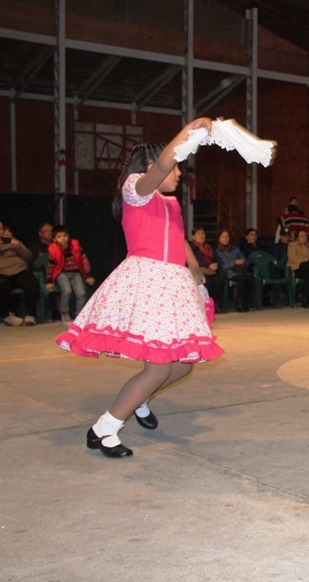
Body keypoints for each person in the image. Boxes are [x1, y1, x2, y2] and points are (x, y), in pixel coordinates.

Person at [56, 119, 224, 458]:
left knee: (182, 363)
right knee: (159, 366)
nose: (179, 173)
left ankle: (139, 398)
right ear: (151, 167)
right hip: (147, 282)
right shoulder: (135, 189)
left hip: (172, 283)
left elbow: (178, 237)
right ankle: (104, 429)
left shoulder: (170, 203)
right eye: (175, 166)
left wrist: (193, 267)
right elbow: (162, 164)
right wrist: (191, 131)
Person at [45, 225, 96, 324]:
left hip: (76, 272)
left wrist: (88, 275)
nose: (63, 239)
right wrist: (49, 280)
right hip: (62, 273)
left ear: (68, 236)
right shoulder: (53, 250)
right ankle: (65, 313)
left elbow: (84, 260)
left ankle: (79, 314)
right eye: (59, 237)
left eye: (65, 236)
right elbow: (51, 266)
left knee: (81, 292)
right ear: (54, 239)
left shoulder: (75, 245)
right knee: (67, 291)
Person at [0, 220, 38, 326]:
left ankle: (30, 315)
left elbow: (29, 257)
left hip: (19, 270)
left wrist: (19, 245)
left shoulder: (11, 241)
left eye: (1, 229)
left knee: (32, 284)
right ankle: (6, 315)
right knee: (2, 287)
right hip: (2, 273)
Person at [214, 229, 255, 313]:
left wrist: (243, 261)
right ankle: (239, 303)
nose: (225, 239)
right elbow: (222, 267)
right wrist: (234, 262)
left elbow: (243, 259)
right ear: (219, 239)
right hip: (228, 272)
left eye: (227, 236)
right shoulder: (217, 251)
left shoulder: (235, 248)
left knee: (251, 278)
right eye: (223, 237)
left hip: (240, 270)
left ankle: (245, 302)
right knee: (241, 279)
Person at [189, 226, 225, 313]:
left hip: (210, 271)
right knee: (207, 281)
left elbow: (215, 259)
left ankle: (216, 304)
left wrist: (215, 265)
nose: (201, 236)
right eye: (198, 234)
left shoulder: (208, 247)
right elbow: (194, 261)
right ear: (193, 236)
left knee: (219, 280)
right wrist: (208, 265)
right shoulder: (192, 247)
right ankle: (207, 305)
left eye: (203, 233)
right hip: (198, 271)